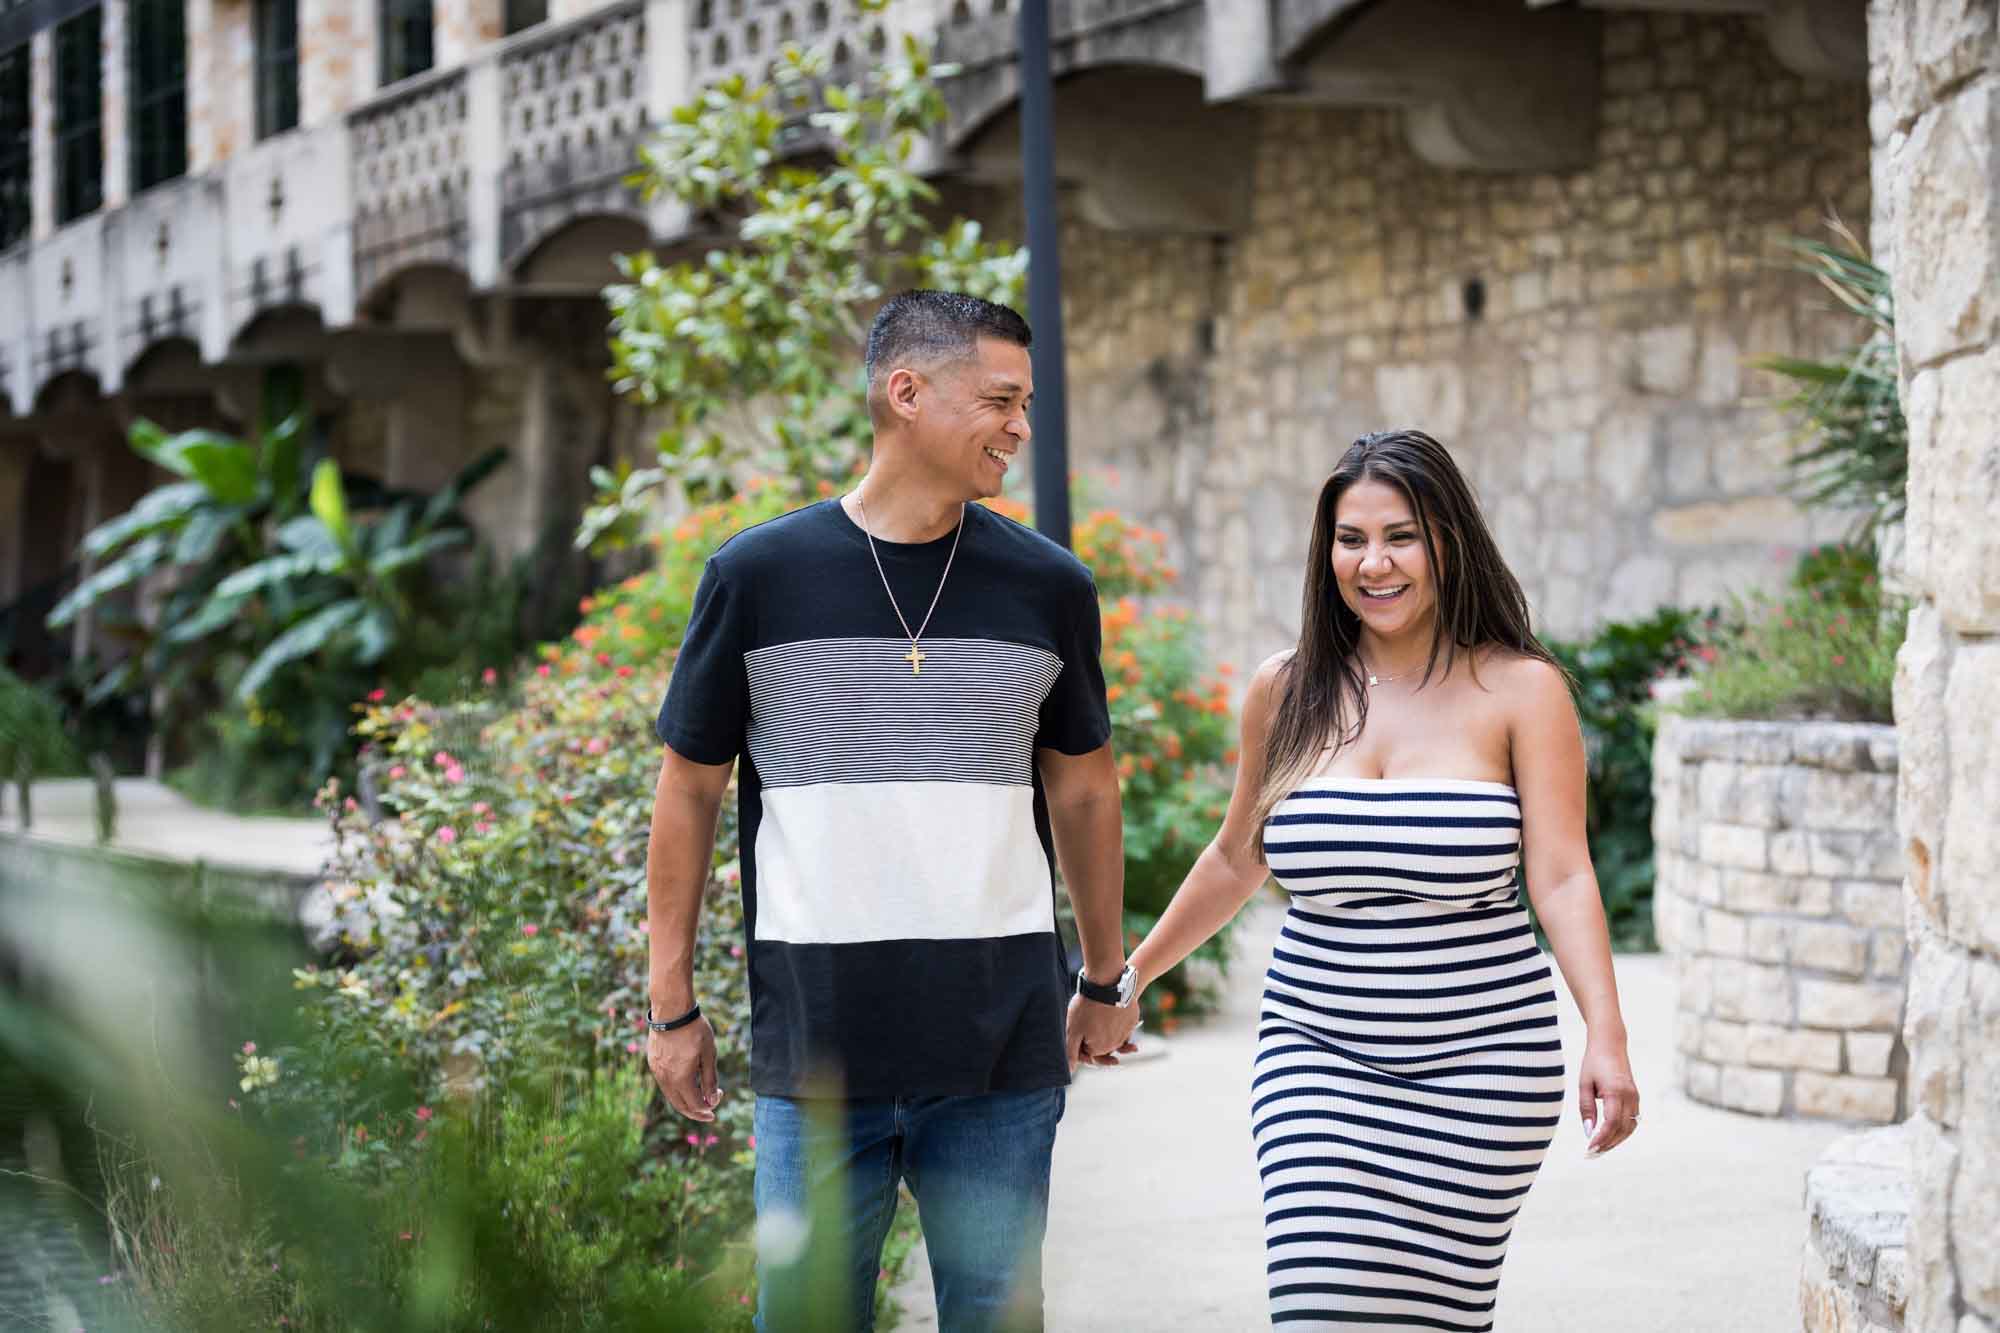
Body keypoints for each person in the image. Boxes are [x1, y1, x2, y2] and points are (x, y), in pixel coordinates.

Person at [642, 290, 1141, 1333]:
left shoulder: (1049, 587)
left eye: (1024, 403)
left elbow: (1085, 787)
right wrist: (670, 1004)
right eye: (1000, 400)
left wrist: (1103, 975)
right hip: (818, 1053)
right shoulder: (757, 576)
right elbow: (689, 790)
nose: (1018, 426)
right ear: (904, 393)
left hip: (999, 1051)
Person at [1125, 429, 1640, 1331]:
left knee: (1437, 1319)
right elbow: (1236, 857)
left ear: (1449, 540)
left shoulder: (1522, 690)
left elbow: (1561, 875)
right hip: (1317, 1059)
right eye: (1350, 538)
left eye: (1400, 535)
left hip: (1483, 1069)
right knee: (1321, 1307)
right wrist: (1128, 978)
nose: (1374, 563)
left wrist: (1607, 1033)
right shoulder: (1284, 691)